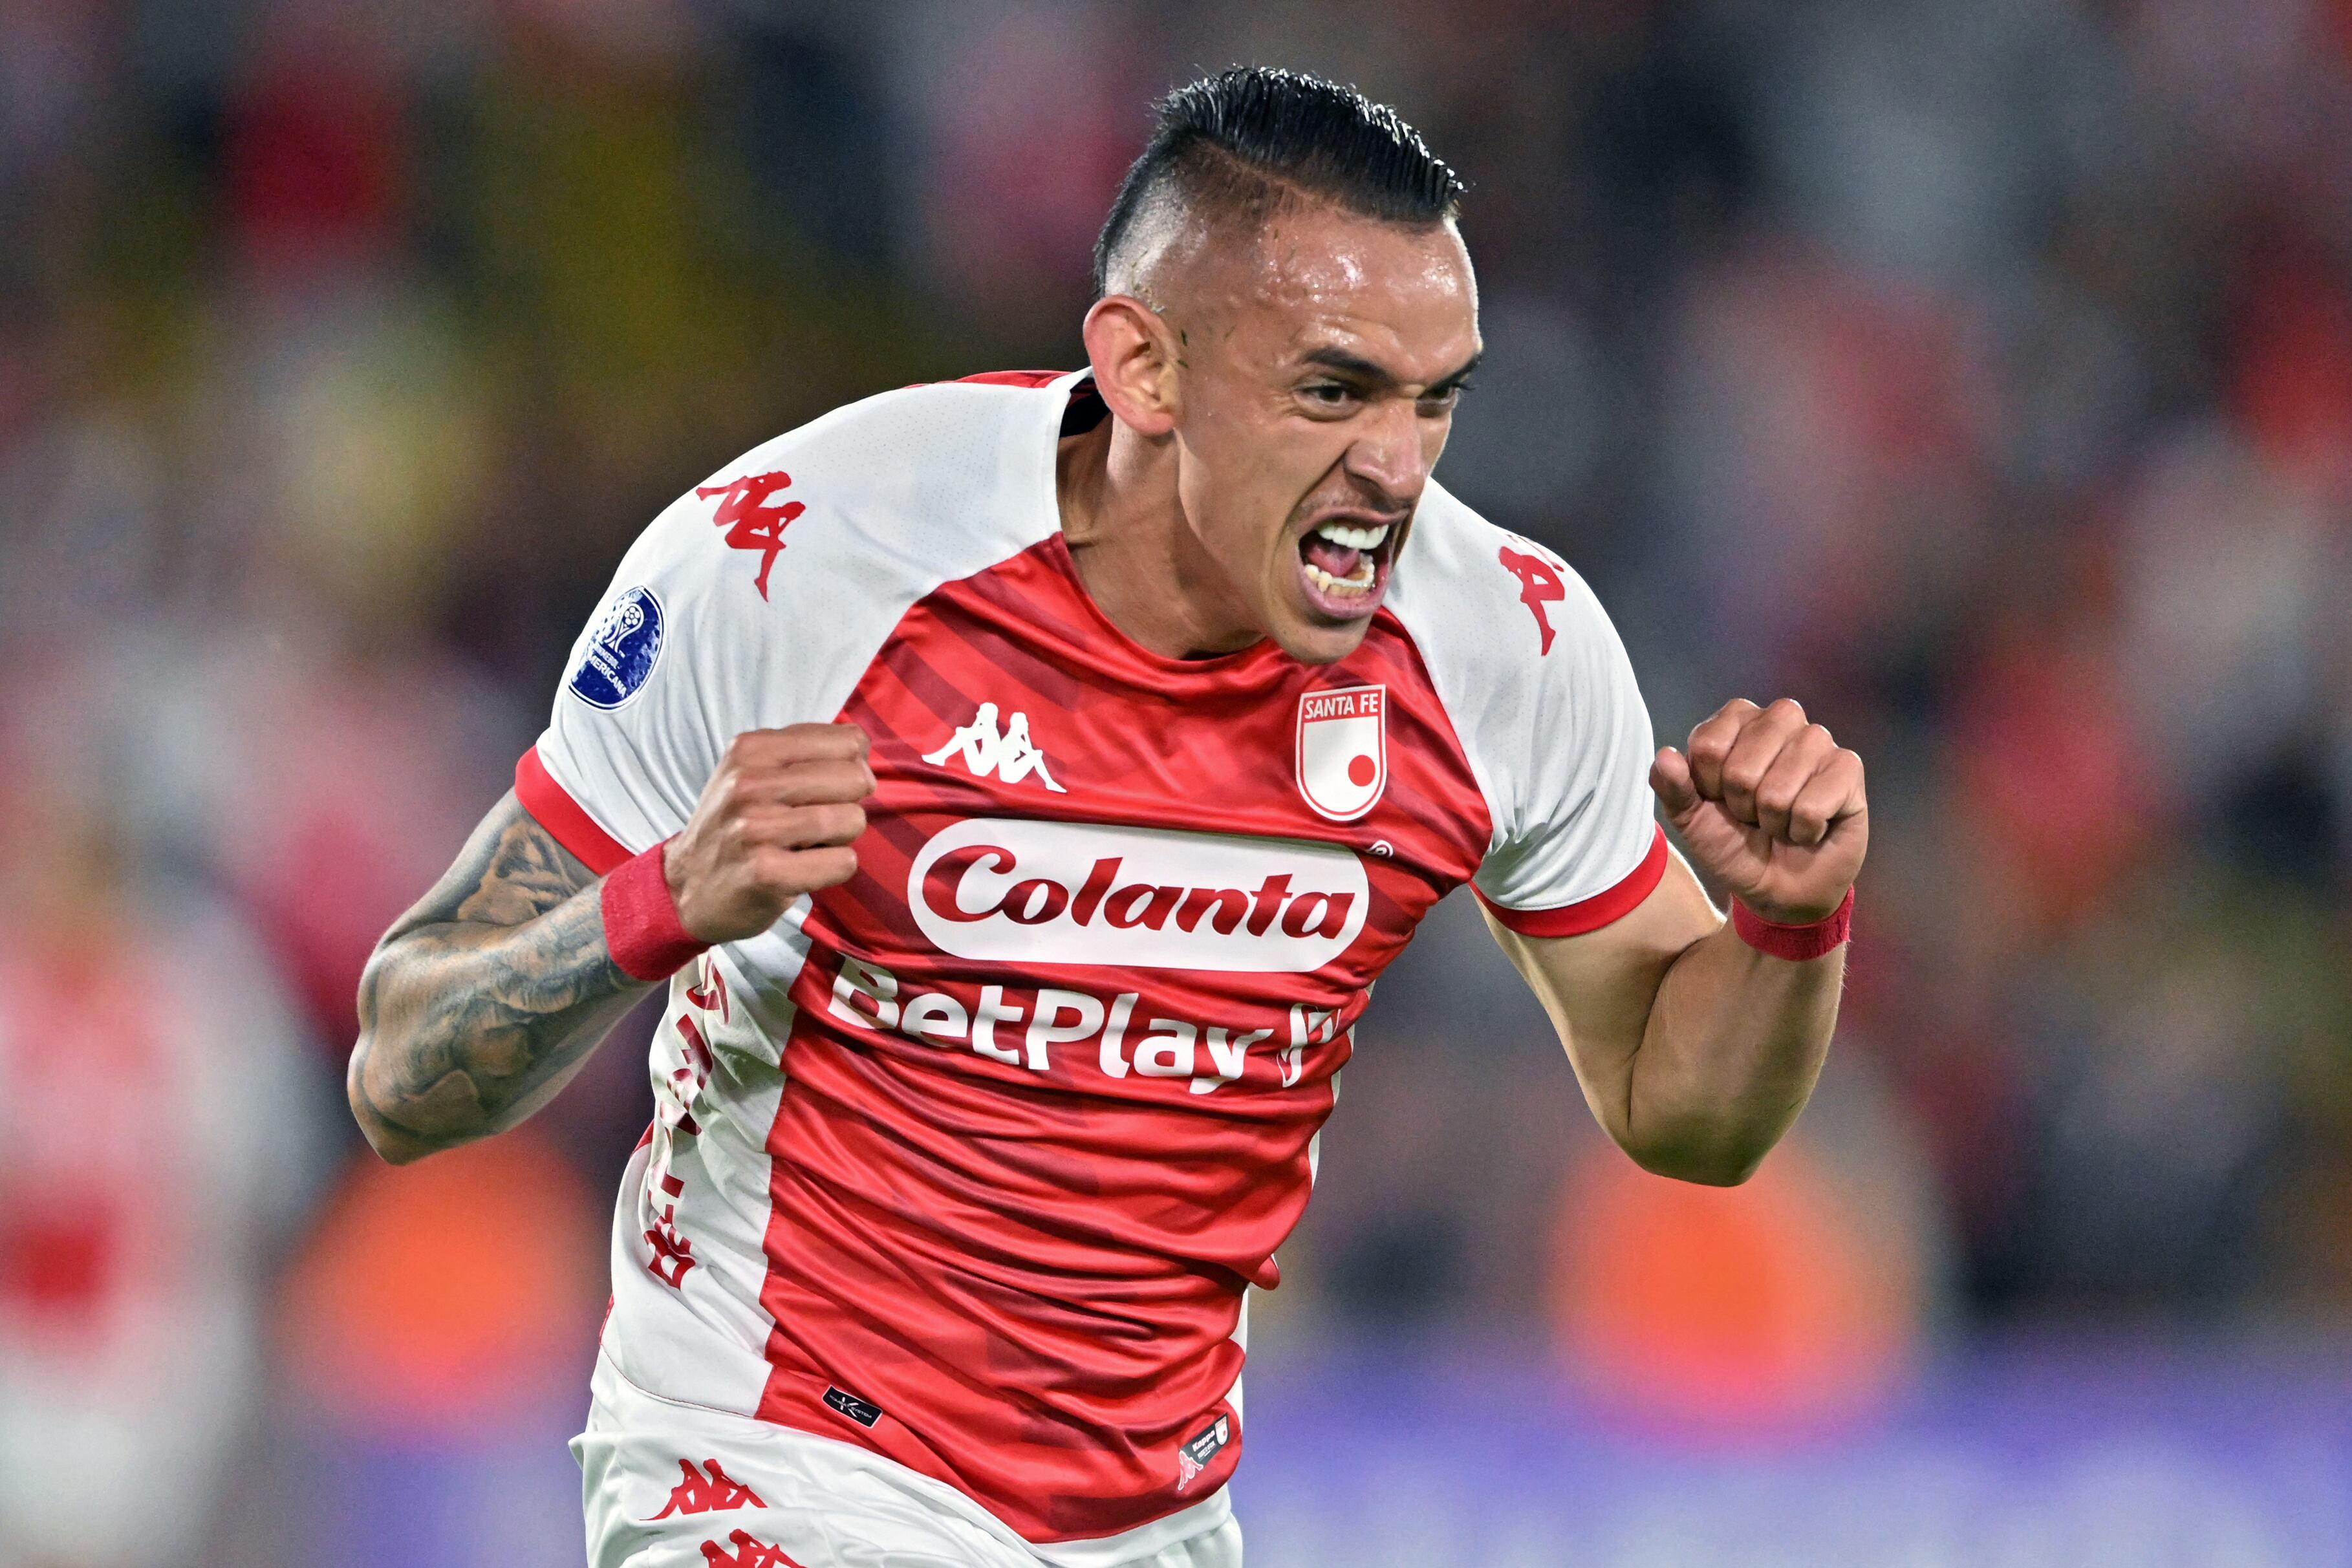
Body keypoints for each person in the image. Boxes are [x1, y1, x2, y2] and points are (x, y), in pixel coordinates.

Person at [347, 67, 1866, 1568]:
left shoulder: (1502, 643)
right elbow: (403, 1063)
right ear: (1145, 369)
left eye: (1435, 398)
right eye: (1333, 389)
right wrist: (660, 899)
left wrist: (1792, 923)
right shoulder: (802, 560)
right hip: (777, 1461)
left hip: (1149, 1521)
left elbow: (1686, 1117)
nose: (1396, 468)